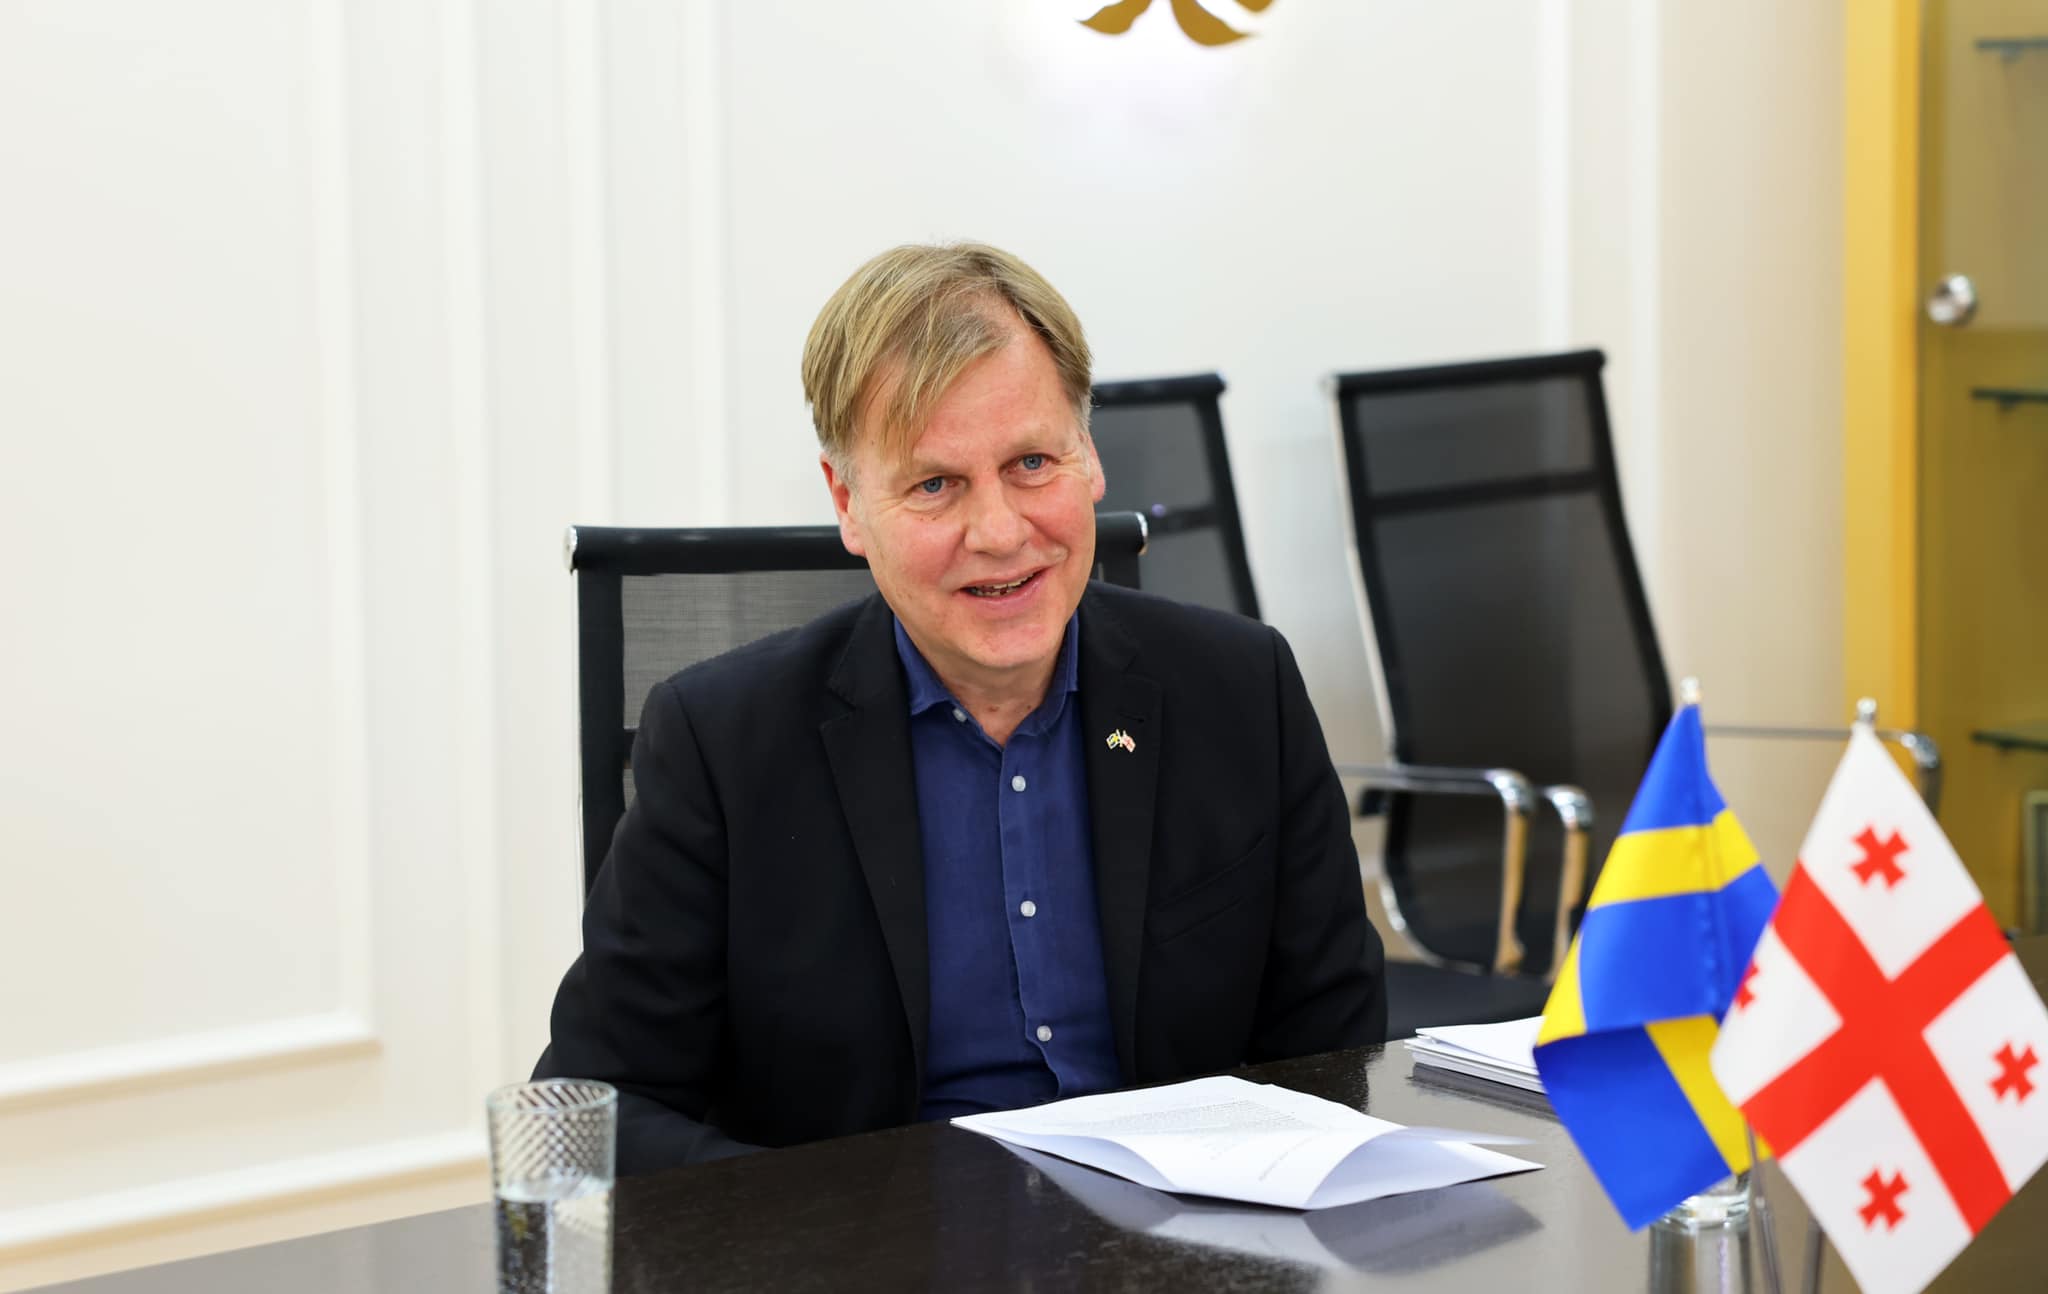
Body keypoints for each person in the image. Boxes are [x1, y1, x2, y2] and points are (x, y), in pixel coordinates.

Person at [534, 242, 1386, 1172]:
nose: (1000, 532)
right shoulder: (721, 744)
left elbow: (1335, 1055)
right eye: (935, 484)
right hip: (868, 1238)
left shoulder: (1241, 689)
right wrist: (843, 1226)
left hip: (1185, 1231)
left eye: (1032, 462)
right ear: (848, 502)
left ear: (1090, 457)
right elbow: (594, 1114)